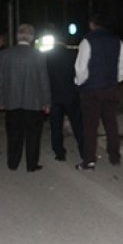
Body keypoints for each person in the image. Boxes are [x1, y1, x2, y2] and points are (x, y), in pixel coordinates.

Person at [74, 14, 123, 170]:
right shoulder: (117, 41)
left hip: (91, 90)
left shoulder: (87, 40)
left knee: (90, 127)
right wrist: (114, 81)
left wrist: (79, 82)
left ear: (92, 24)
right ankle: (114, 156)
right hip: (110, 88)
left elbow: (81, 67)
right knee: (111, 124)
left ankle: (89, 160)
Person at [0, 24, 51, 172]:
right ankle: (31, 164)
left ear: (17, 36)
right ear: (32, 38)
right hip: (33, 103)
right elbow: (43, 81)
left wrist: (1, 100)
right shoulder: (38, 56)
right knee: (33, 136)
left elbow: (0, 80)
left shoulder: (5, 55)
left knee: (13, 134)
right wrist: (46, 102)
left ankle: (13, 163)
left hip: (12, 102)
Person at [45, 30, 83, 162]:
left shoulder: (47, 56)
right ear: (66, 42)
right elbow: (79, 73)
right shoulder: (73, 55)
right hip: (70, 94)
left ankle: (59, 153)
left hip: (54, 95)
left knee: (56, 126)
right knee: (77, 124)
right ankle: (84, 152)